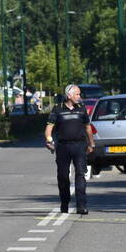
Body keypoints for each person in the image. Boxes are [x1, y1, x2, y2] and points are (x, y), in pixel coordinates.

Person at [45, 84, 95, 214]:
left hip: (79, 146)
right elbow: (49, 129)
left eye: (79, 94)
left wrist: (91, 143)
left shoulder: (82, 109)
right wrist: (49, 141)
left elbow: (88, 127)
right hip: (63, 147)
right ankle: (64, 202)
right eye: (77, 94)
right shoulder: (57, 109)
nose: (79, 96)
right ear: (69, 95)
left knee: (80, 175)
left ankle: (81, 205)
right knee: (63, 177)